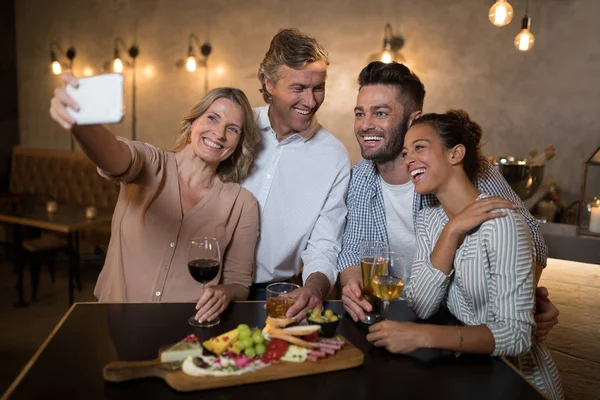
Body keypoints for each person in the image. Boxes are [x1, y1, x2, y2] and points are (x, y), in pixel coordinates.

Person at [339, 61, 559, 340]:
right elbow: (351, 251)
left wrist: (521, 304)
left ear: (412, 119)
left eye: (380, 113)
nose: (365, 125)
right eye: (360, 114)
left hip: (455, 321)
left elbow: (530, 238)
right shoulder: (359, 177)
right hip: (393, 316)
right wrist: (352, 289)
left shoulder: (462, 169)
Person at [366, 110, 563, 399]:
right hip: (467, 373)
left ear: (456, 154)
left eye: (420, 147)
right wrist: (451, 233)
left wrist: (422, 337)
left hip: (517, 381)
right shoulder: (430, 220)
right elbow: (422, 305)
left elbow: (516, 336)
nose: (408, 159)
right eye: (405, 152)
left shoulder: (502, 221)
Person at [49, 74, 260, 324]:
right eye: (212, 118)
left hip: (187, 329)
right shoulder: (150, 164)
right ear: (193, 123)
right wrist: (81, 123)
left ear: (238, 143)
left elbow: (239, 282)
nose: (219, 133)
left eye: (233, 129)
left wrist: (225, 292)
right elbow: (114, 157)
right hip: (115, 321)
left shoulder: (242, 203)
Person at [242, 28, 351, 319]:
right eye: (298, 88)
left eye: (318, 88)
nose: (311, 101)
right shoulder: (235, 127)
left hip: (274, 295)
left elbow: (325, 244)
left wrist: (314, 289)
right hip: (204, 284)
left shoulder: (334, 156)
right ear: (269, 83)